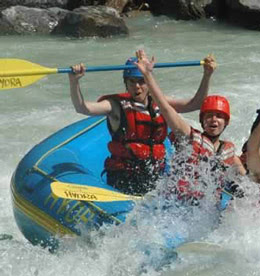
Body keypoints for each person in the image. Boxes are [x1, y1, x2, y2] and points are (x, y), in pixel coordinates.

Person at [68, 51, 214, 195]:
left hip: (154, 174)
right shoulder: (115, 105)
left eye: (141, 81)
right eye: (132, 81)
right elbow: (82, 108)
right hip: (124, 177)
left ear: (148, 83)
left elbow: (196, 103)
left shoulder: (160, 102)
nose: (137, 87)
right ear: (125, 83)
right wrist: (74, 82)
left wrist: (207, 76)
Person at [133, 50, 245, 202]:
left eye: (219, 116)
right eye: (209, 116)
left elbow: (244, 177)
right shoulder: (189, 136)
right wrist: (147, 75)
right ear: (201, 120)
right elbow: (165, 108)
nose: (213, 120)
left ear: (226, 122)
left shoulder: (229, 152)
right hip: (178, 204)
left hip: (206, 209)